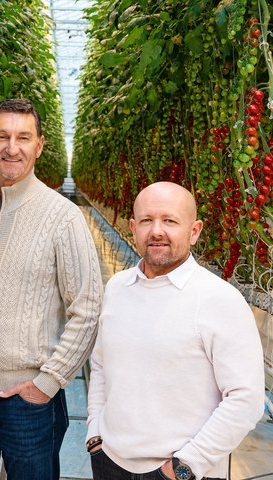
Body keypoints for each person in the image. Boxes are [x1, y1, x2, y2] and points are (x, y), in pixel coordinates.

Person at [0, 98, 103, 480]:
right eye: (1, 136)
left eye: (23, 137)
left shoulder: (63, 216)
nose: (11, 147)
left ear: (40, 145)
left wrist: (48, 383)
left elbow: (89, 306)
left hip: (27, 401)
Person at [86, 181, 265, 480]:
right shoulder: (117, 287)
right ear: (133, 227)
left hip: (181, 471)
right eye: (146, 220)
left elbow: (246, 399)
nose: (157, 231)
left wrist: (184, 467)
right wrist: (95, 434)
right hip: (110, 463)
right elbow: (102, 365)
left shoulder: (219, 299)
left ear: (194, 231)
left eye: (169, 220)